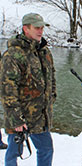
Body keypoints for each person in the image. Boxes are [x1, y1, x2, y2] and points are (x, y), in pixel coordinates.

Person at [0, 13, 57, 166]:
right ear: (26, 28)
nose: (40, 31)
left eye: (42, 28)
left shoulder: (44, 52)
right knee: (14, 153)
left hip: (40, 116)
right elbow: (7, 89)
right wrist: (16, 118)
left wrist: (52, 96)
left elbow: (51, 77)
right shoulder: (13, 55)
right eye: (37, 28)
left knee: (46, 150)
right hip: (21, 117)